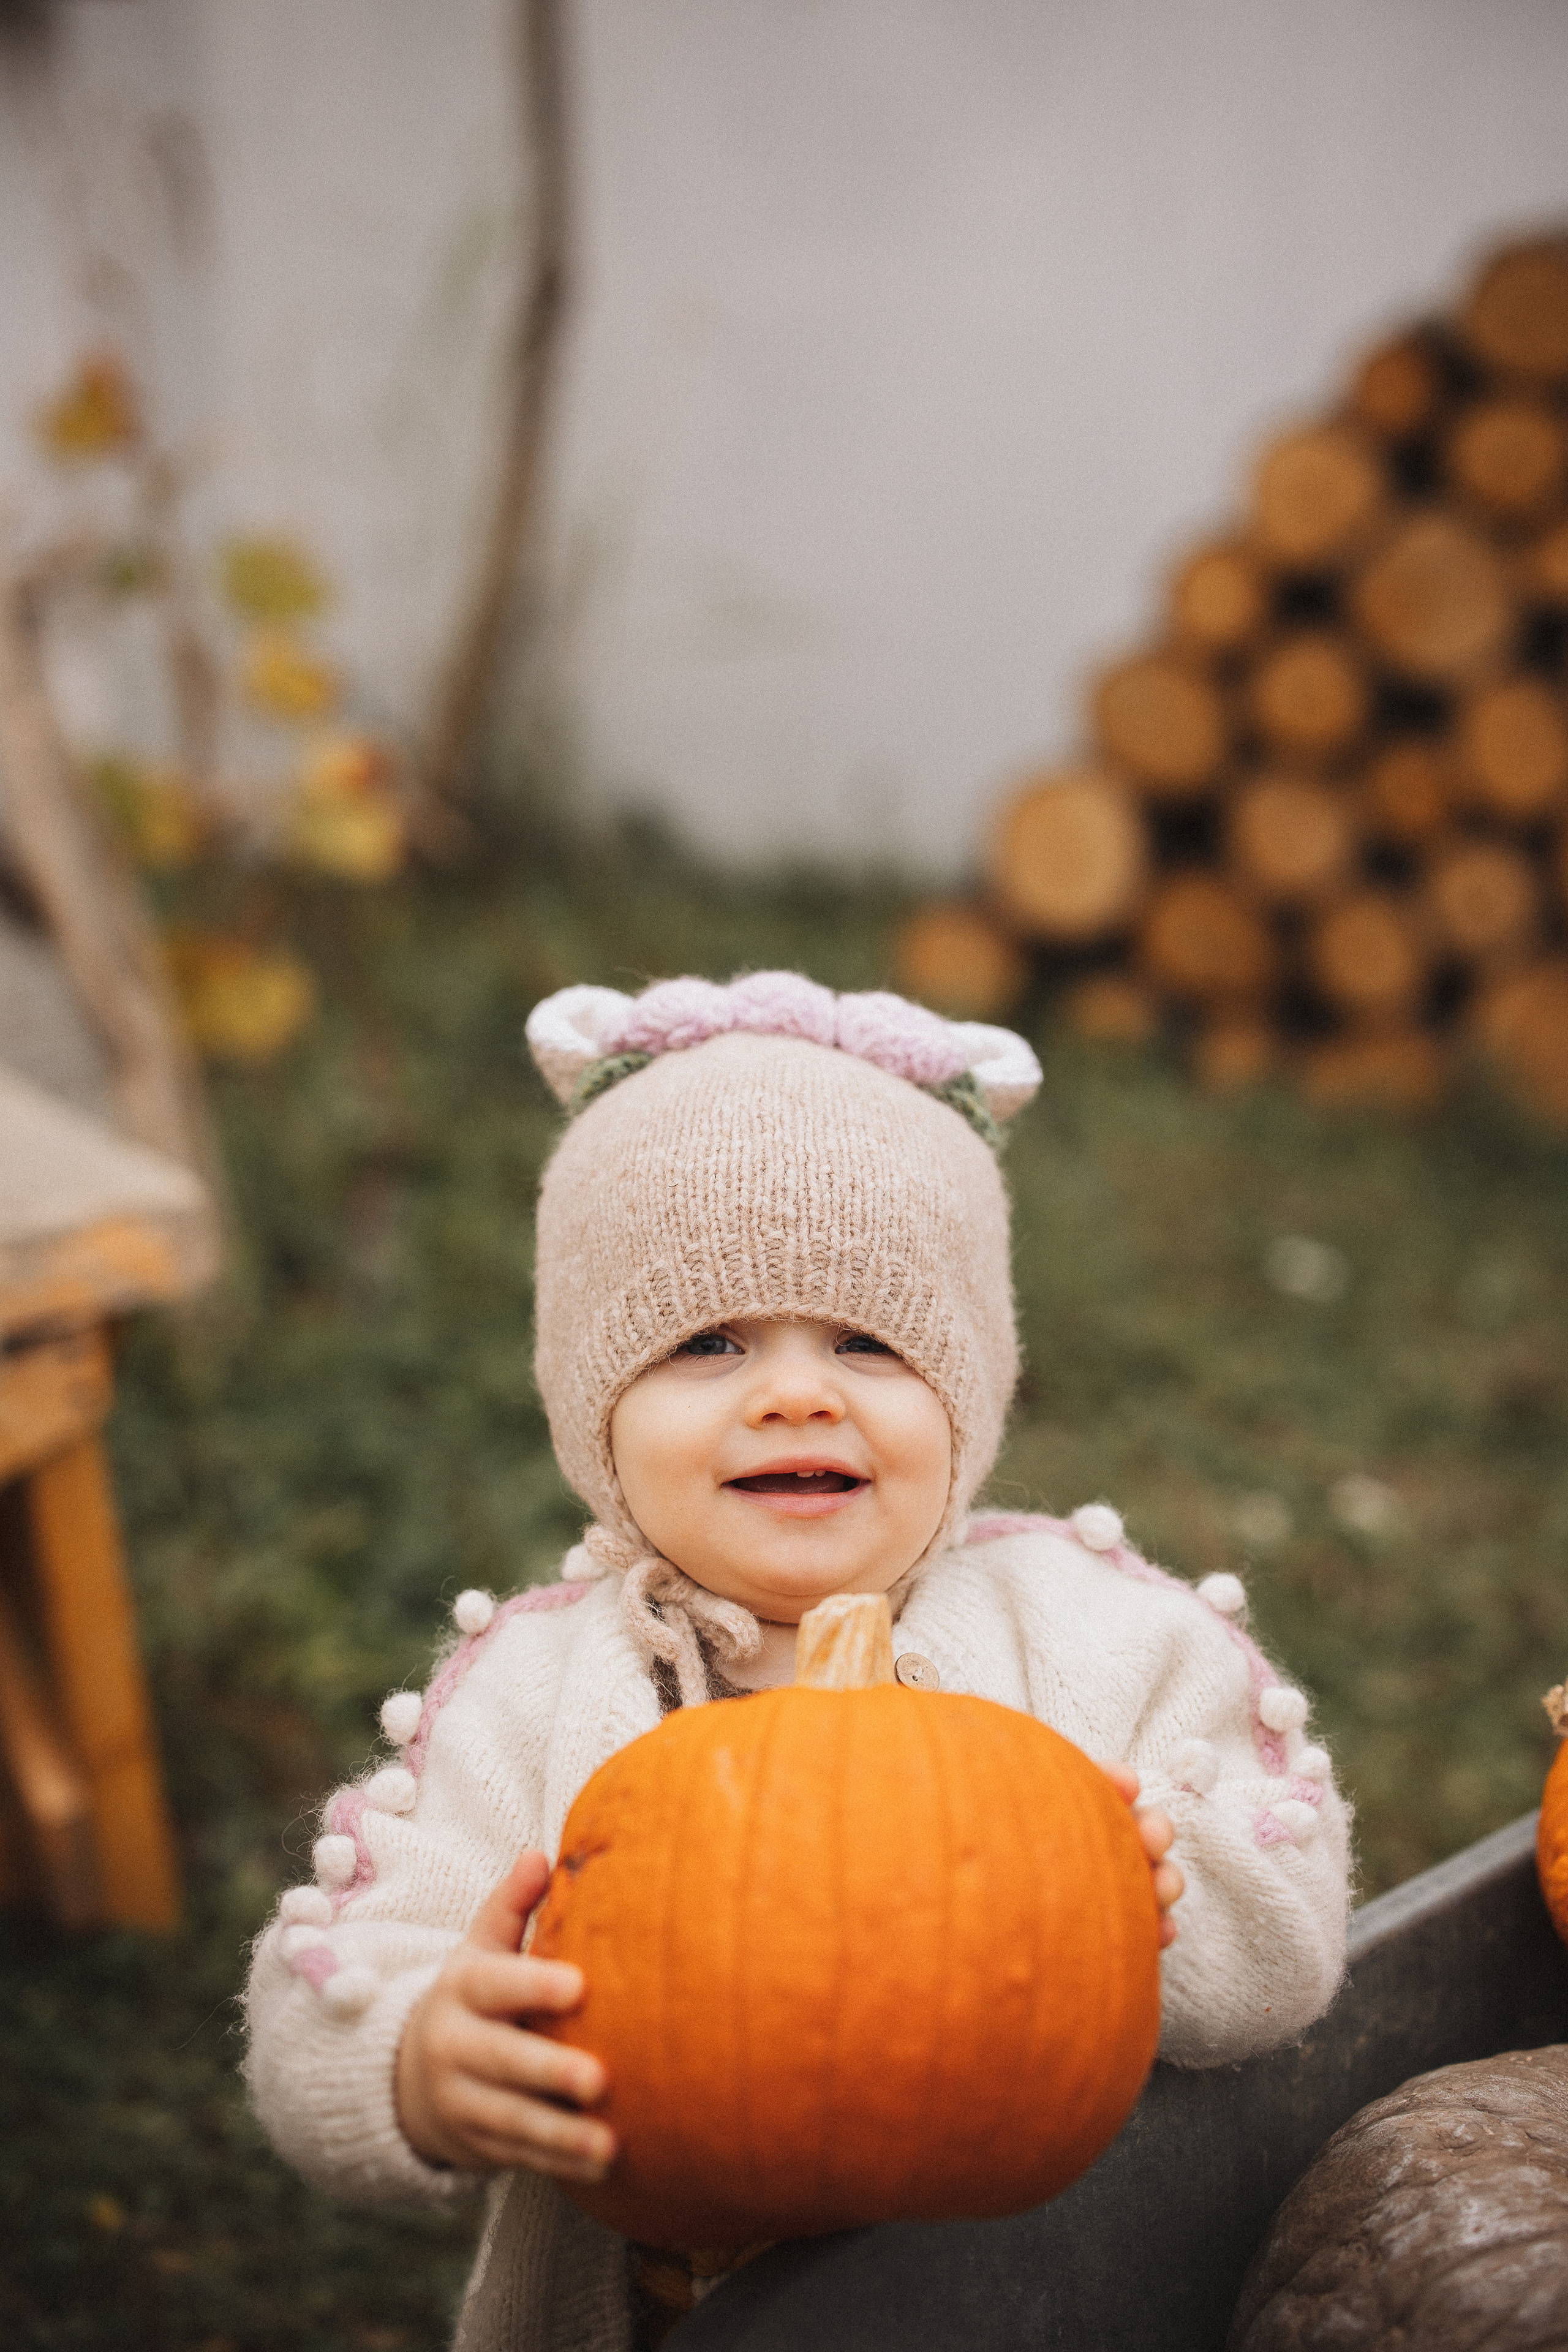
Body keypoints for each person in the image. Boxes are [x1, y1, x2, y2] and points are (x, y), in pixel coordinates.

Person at [244, 971, 1351, 2352]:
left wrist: (1154, 1902)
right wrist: (415, 2053)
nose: (793, 1391)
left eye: (867, 1341)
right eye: (705, 1341)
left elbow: (1297, 1930)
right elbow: (328, 1980)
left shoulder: (1099, 1633)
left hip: (1056, 2295)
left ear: (967, 1389)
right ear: (594, 1407)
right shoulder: (529, 1699)